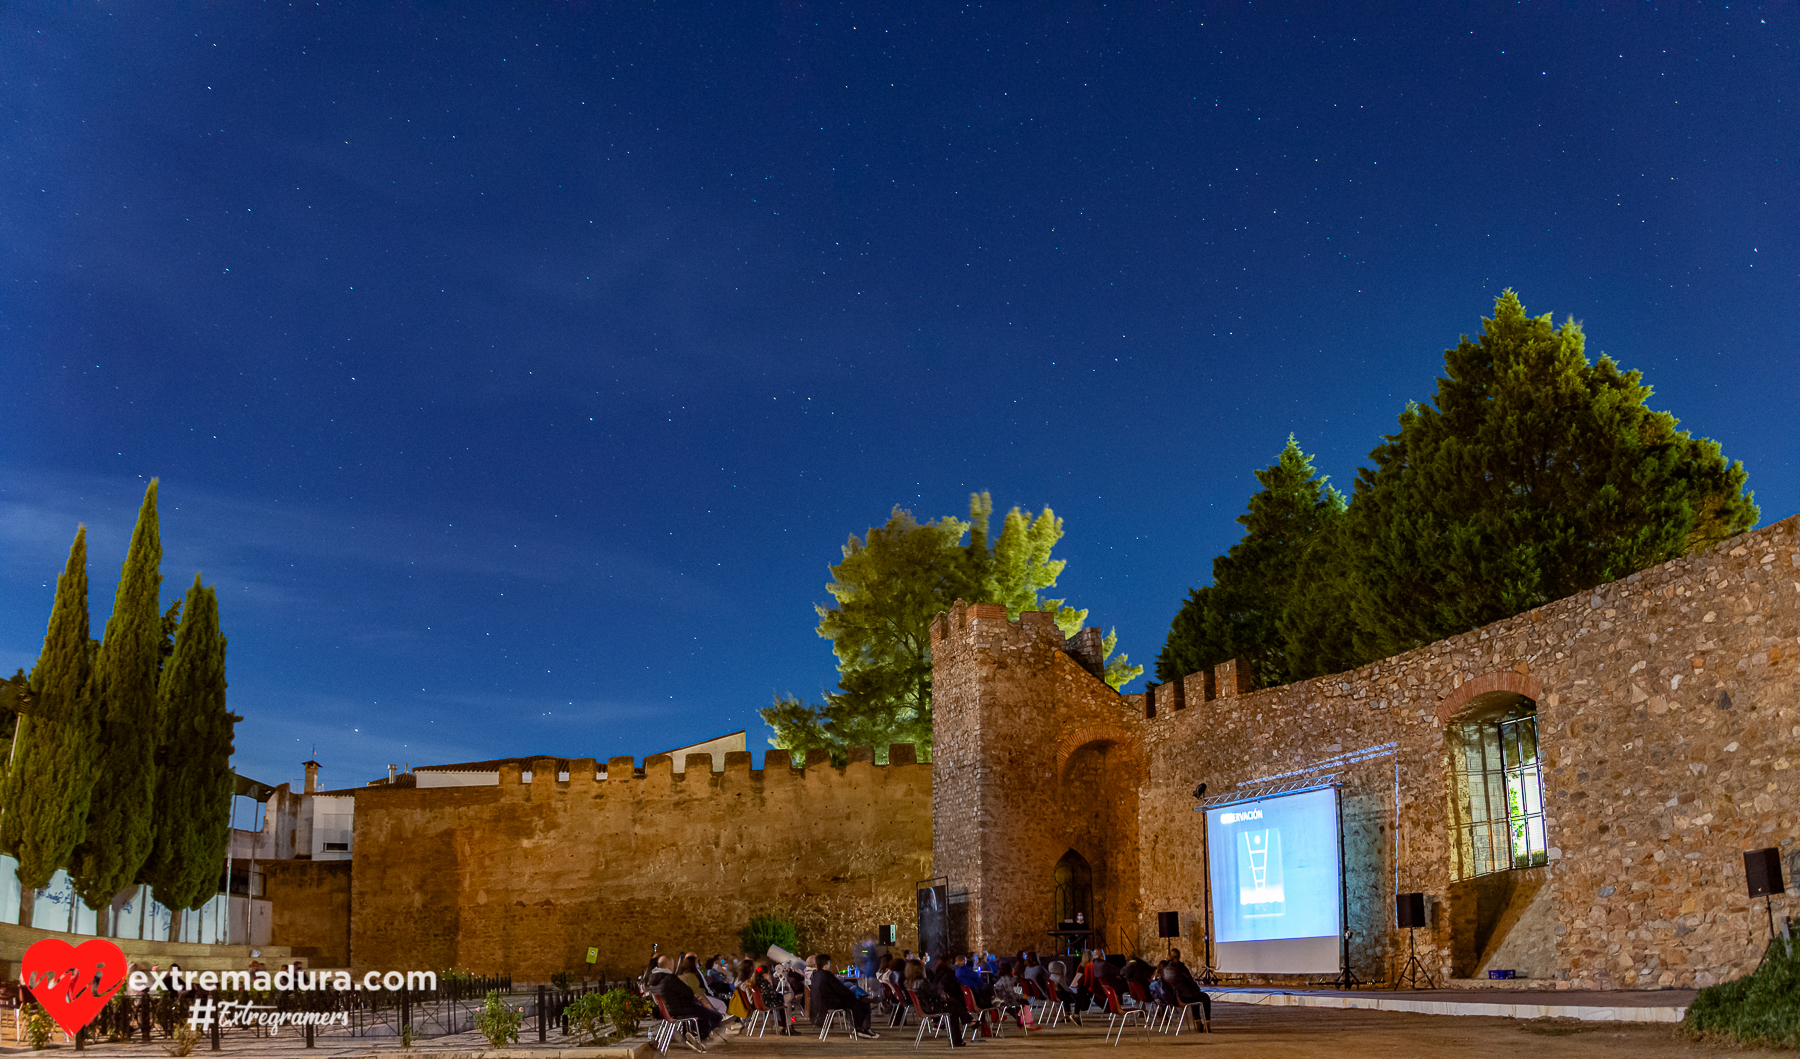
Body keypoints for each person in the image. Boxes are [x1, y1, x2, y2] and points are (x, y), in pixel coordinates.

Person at [645, 954, 723, 1048]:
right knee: (717, 1016)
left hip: (667, 1012)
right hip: (681, 1010)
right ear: (669, 966)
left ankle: (692, 1035)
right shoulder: (670, 978)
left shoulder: (653, 980)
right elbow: (688, 992)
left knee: (704, 1015)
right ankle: (699, 1037)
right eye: (672, 965)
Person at [808, 954, 878, 1037]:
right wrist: (851, 995)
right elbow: (840, 989)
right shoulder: (826, 974)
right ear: (826, 965)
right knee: (861, 1001)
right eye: (829, 963)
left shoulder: (815, 975)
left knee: (853, 991)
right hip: (831, 1003)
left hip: (822, 1003)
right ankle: (861, 1028)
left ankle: (865, 1000)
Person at [913, 959, 968, 1047]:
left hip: (926, 1006)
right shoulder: (922, 982)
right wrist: (940, 991)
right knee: (953, 1009)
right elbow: (933, 995)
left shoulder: (913, 982)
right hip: (931, 1007)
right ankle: (957, 1038)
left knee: (953, 1003)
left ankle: (966, 1023)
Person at [1163, 951, 1212, 1031]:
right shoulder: (1181, 968)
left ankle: (1198, 1022)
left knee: (1195, 997)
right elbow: (1191, 981)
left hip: (1173, 997)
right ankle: (1207, 1023)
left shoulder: (1166, 969)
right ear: (1179, 956)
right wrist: (1197, 988)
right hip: (1184, 996)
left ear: (1169, 957)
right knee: (1205, 997)